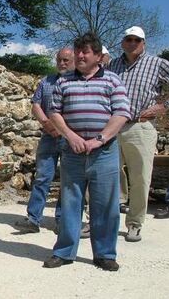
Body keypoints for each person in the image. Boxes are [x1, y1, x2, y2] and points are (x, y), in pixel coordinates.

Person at [43, 32, 131, 272]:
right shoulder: (63, 81)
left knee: (105, 205)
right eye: (78, 50)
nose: (80, 55)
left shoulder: (112, 80)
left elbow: (121, 114)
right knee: (71, 202)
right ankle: (64, 252)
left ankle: (104, 254)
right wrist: (71, 136)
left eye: (86, 51)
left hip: (104, 152)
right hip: (72, 152)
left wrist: (99, 139)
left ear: (98, 56)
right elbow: (54, 113)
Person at [107, 26, 169, 241]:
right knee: (106, 176)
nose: (132, 43)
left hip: (140, 126)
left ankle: (134, 223)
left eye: (137, 39)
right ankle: (101, 220)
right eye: (128, 39)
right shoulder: (113, 64)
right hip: (112, 126)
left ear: (143, 43)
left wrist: (164, 106)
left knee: (140, 178)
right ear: (123, 42)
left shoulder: (158, 63)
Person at [15, 48, 74, 234]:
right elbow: (36, 104)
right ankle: (33, 219)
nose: (62, 63)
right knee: (42, 177)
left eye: (66, 60)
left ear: (73, 61)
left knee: (68, 181)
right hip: (49, 136)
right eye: (59, 60)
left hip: (70, 137)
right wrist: (46, 123)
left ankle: (62, 220)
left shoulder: (78, 83)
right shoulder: (46, 81)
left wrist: (62, 129)